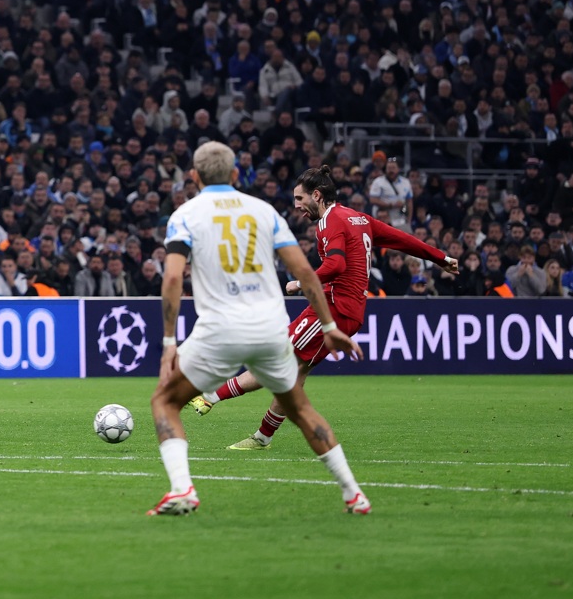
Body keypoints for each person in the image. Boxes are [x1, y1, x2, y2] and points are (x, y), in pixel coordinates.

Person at [149, 143, 370, 516]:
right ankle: (353, 494)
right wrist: (329, 326)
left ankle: (181, 489)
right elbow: (305, 273)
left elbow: (172, 278)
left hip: (219, 328)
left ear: (195, 177)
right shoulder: (264, 212)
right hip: (269, 327)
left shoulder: (185, 214)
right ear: (236, 175)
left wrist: (169, 342)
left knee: (164, 401)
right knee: (298, 407)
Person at [191, 165, 458, 446]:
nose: (297, 207)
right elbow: (400, 239)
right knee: (296, 372)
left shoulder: (329, 222)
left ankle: (210, 396)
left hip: (334, 308)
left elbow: (336, 263)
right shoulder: (356, 218)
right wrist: (440, 257)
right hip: (344, 309)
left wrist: (301, 282)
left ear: (316, 195)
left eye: (299, 199)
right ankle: (261, 438)